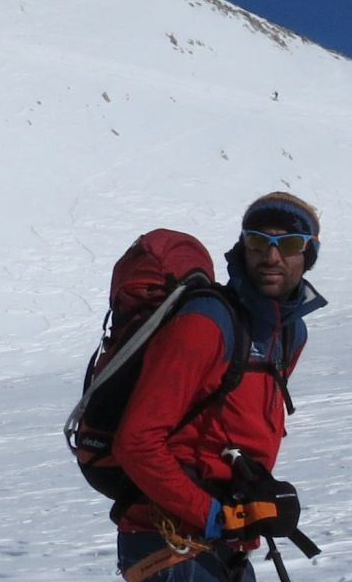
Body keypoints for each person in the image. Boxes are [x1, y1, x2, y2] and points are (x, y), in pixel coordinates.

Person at [113, 192, 327, 581]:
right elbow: (136, 441)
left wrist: (252, 496)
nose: (271, 256)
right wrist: (214, 515)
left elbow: (235, 427)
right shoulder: (206, 323)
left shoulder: (289, 333)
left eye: (289, 244)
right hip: (168, 538)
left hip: (224, 537)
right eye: (259, 241)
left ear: (308, 254)